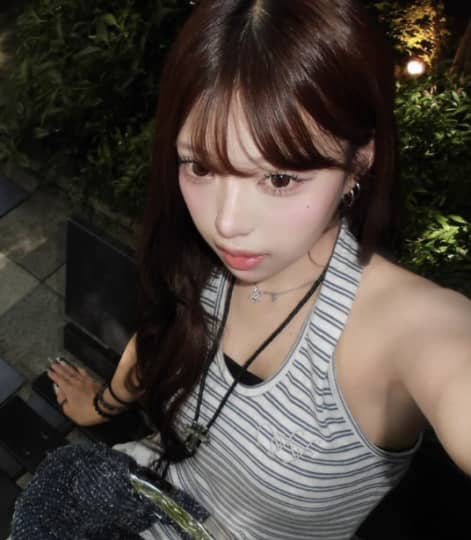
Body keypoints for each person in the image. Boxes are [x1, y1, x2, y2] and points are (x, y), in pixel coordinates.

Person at [44, 0, 471, 538]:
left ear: (358, 163)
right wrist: (101, 405)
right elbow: (161, 336)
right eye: (200, 166)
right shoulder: (199, 258)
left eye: (280, 178)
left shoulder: (405, 330)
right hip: (134, 500)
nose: (225, 224)